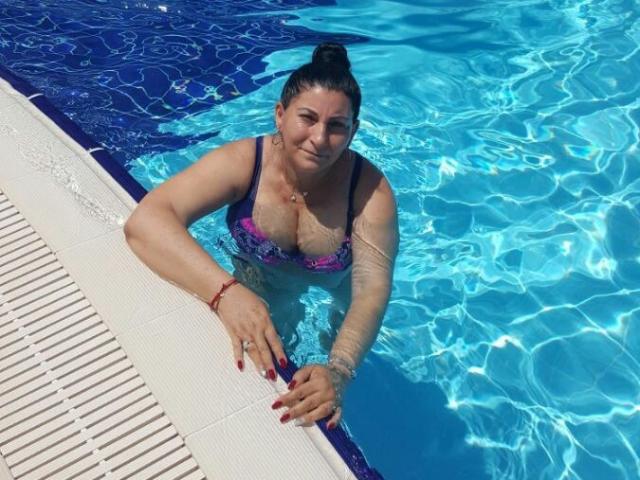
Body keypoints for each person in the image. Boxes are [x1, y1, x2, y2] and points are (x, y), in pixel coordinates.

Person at [124, 42, 399, 430]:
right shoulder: (245, 163)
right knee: (254, 367)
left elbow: (371, 288)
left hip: (336, 287)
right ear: (280, 115)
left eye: (337, 126)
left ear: (353, 132)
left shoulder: (369, 193)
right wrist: (226, 293)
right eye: (307, 118)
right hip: (260, 276)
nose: (319, 138)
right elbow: (147, 220)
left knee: (332, 372)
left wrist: (339, 370)